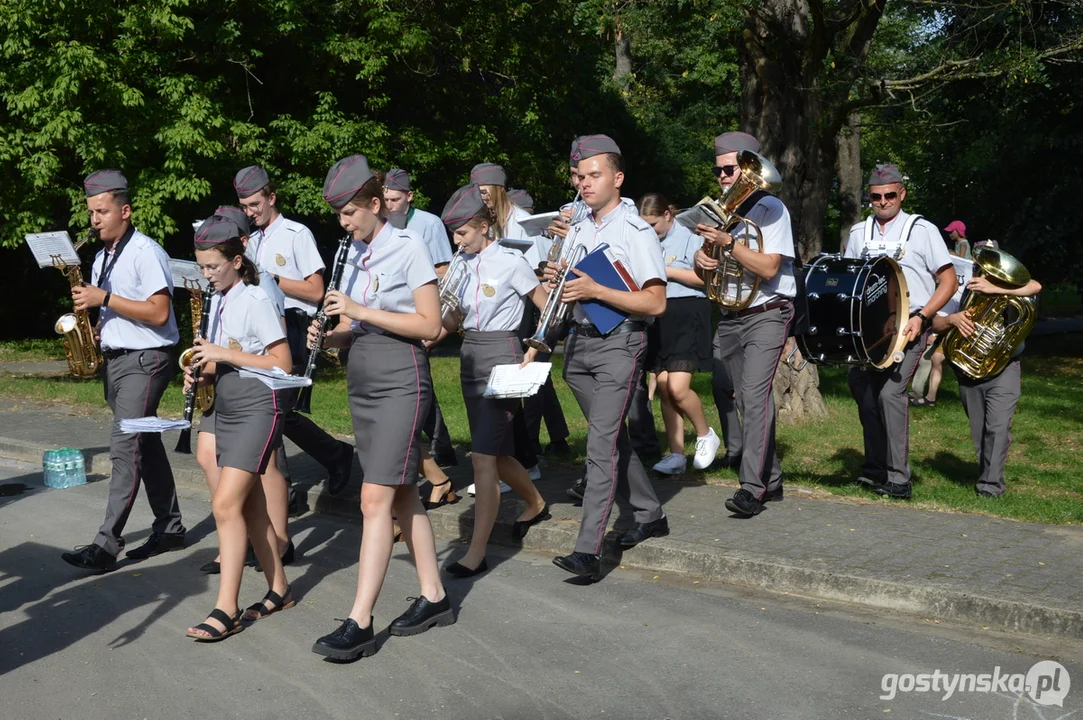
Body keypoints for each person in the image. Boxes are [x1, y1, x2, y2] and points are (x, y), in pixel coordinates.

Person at [310, 156, 453, 661]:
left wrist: (357, 311)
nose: (343, 224)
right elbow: (362, 326)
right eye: (339, 216)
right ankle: (435, 597)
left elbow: (430, 326)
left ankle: (360, 620)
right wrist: (333, 336)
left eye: (350, 213)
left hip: (400, 378)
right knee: (402, 494)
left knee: (374, 500)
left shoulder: (408, 245)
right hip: (364, 377)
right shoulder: (357, 253)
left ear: (376, 204)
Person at [543, 135, 669, 581]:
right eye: (579, 176)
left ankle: (588, 551)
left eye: (593, 175)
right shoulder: (578, 227)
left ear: (617, 178)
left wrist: (596, 289)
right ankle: (651, 513)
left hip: (621, 342)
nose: (584, 183)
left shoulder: (634, 230)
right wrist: (555, 277)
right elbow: (561, 292)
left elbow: (655, 303)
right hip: (578, 342)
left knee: (599, 445)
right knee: (611, 439)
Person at [61, 170, 185, 573]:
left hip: (146, 360)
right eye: (92, 212)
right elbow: (121, 311)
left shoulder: (146, 252)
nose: (95, 219)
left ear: (125, 211)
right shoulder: (101, 257)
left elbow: (160, 311)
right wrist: (98, 325)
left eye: (103, 211)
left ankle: (106, 544)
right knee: (144, 445)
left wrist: (105, 297)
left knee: (123, 447)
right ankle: (170, 527)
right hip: (118, 360)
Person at [184, 215, 293, 641]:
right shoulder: (222, 299)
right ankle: (279, 588)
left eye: (213, 266)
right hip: (227, 404)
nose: (207, 275)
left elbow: (282, 362)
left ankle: (225, 607)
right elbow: (226, 355)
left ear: (236, 260)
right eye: (202, 267)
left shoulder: (254, 299)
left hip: (257, 407)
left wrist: (222, 356)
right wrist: (203, 371)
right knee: (249, 507)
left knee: (225, 505)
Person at [437, 184, 551, 577]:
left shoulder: (510, 262)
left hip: (503, 357)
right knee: (497, 454)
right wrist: (424, 331)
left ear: (484, 226)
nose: (457, 240)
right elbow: (453, 320)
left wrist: (536, 344)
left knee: (483, 457)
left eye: (463, 233)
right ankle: (535, 502)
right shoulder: (461, 264)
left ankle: (476, 551)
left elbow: (545, 306)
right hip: (471, 356)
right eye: (454, 233)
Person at [693, 134, 798, 518]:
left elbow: (769, 267)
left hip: (767, 312)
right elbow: (705, 265)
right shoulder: (717, 210)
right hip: (731, 313)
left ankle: (752, 488)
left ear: (747, 169)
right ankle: (771, 477)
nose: (722, 176)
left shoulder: (771, 208)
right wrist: (701, 261)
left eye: (730, 169)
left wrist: (729, 243)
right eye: (718, 169)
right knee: (730, 391)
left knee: (754, 396)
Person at [233, 166, 354, 495]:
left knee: (276, 410)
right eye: (244, 206)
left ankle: (317, 467)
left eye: (255, 204)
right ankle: (313, 468)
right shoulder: (249, 240)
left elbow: (317, 290)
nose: (250, 212)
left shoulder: (296, 234)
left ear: (271, 198)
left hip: (294, 327)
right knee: (275, 410)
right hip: (260, 329)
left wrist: (273, 279)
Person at [844, 163, 958, 499]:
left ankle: (899, 478)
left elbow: (948, 281)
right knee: (863, 390)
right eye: (876, 197)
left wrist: (923, 316)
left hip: (910, 326)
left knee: (891, 395)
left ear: (902, 193)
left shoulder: (921, 229)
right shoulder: (857, 233)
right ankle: (874, 469)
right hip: (869, 333)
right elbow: (851, 282)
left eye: (889, 195)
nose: (882, 202)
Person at [932, 252, 1041, 497]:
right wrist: (953, 319)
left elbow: (1036, 286)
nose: (983, 274)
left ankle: (990, 486)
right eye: (980, 269)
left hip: (1004, 367)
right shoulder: (958, 290)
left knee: (998, 427)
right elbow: (936, 324)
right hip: (968, 367)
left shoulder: (1007, 288)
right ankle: (988, 473)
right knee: (979, 430)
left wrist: (996, 290)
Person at [638, 193, 720, 475]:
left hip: (688, 312)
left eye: (653, 224)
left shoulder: (690, 235)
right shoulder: (645, 240)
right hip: (659, 314)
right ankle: (676, 454)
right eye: (644, 224)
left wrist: (665, 270)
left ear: (668, 215)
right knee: (662, 386)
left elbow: (703, 279)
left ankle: (705, 434)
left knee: (678, 387)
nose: (650, 230)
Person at [384, 168, 458, 471]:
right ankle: (434, 447)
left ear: (409, 196)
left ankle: (440, 447)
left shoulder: (428, 223)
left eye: (396, 199)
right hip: (392, 315)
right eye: (385, 198)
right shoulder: (382, 224)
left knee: (419, 383)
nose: (390, 205)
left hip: (422, 312)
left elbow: (445, 271)